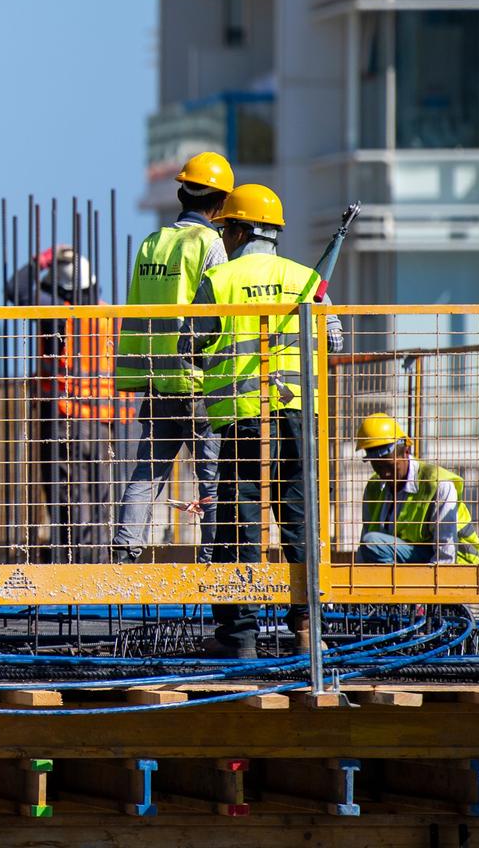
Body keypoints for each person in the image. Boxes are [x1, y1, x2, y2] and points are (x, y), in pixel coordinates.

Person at [184, 183, 343, 658]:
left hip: (243, 417)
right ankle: (306, 629)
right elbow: (333, 340)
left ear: (237, 230)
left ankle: (240, 637)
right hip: (298, 415)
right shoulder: (306, 279)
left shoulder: (221, 280)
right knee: (300, 520)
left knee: (240, 523)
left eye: (225, 230)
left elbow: (189, 344)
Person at [113, 152, 231, 563]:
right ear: (221, 202)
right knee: (212, 479)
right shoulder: (210, 244)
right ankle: (214, 562)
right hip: (199, 381)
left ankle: (124, 554)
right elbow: (218, 310)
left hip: (158, 379)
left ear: (182, 194)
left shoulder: (152, 243)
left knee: (147, 474)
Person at [11, 245, 125, 563]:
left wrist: (43, 259)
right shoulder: (110, 315)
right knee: (100, 500)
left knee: (69, 499)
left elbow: (16, 290)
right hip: (105, 422)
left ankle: (74, 567)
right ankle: (99, 565)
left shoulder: (58, 312)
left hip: (66, 418)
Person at [354, 413, 479, 564]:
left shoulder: (437, 484)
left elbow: (446, 556)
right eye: (377, 467)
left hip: (461, 563)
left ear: (405, 452)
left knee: (373, 542)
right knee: (370, 544)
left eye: (389, 466)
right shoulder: (374, 487)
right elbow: (365, 548)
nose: (385, 473)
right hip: (417, 558)